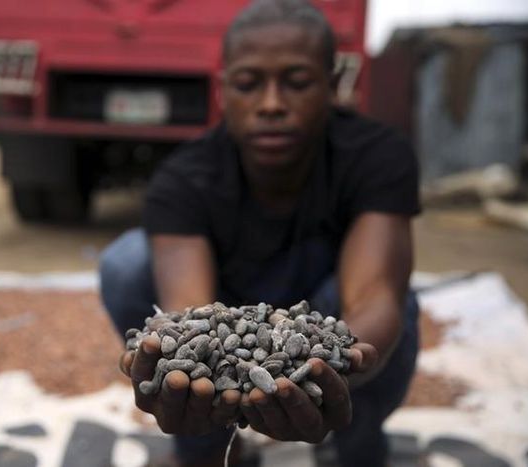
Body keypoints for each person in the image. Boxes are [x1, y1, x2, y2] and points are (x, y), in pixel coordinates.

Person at [99, 1, 420, 465]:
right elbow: (188, 313)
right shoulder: (183, 177)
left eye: (297, 82)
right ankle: (205, 448)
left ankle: (357, 442)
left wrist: (337, 369)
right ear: (222, 91)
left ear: (333, 87)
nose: (271, 104)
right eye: (249, 84)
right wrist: (192, 378)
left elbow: (375, 294)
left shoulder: (378, 155)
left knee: (400, 306)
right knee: (125, 264)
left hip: (327, 303)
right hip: (226, 298)